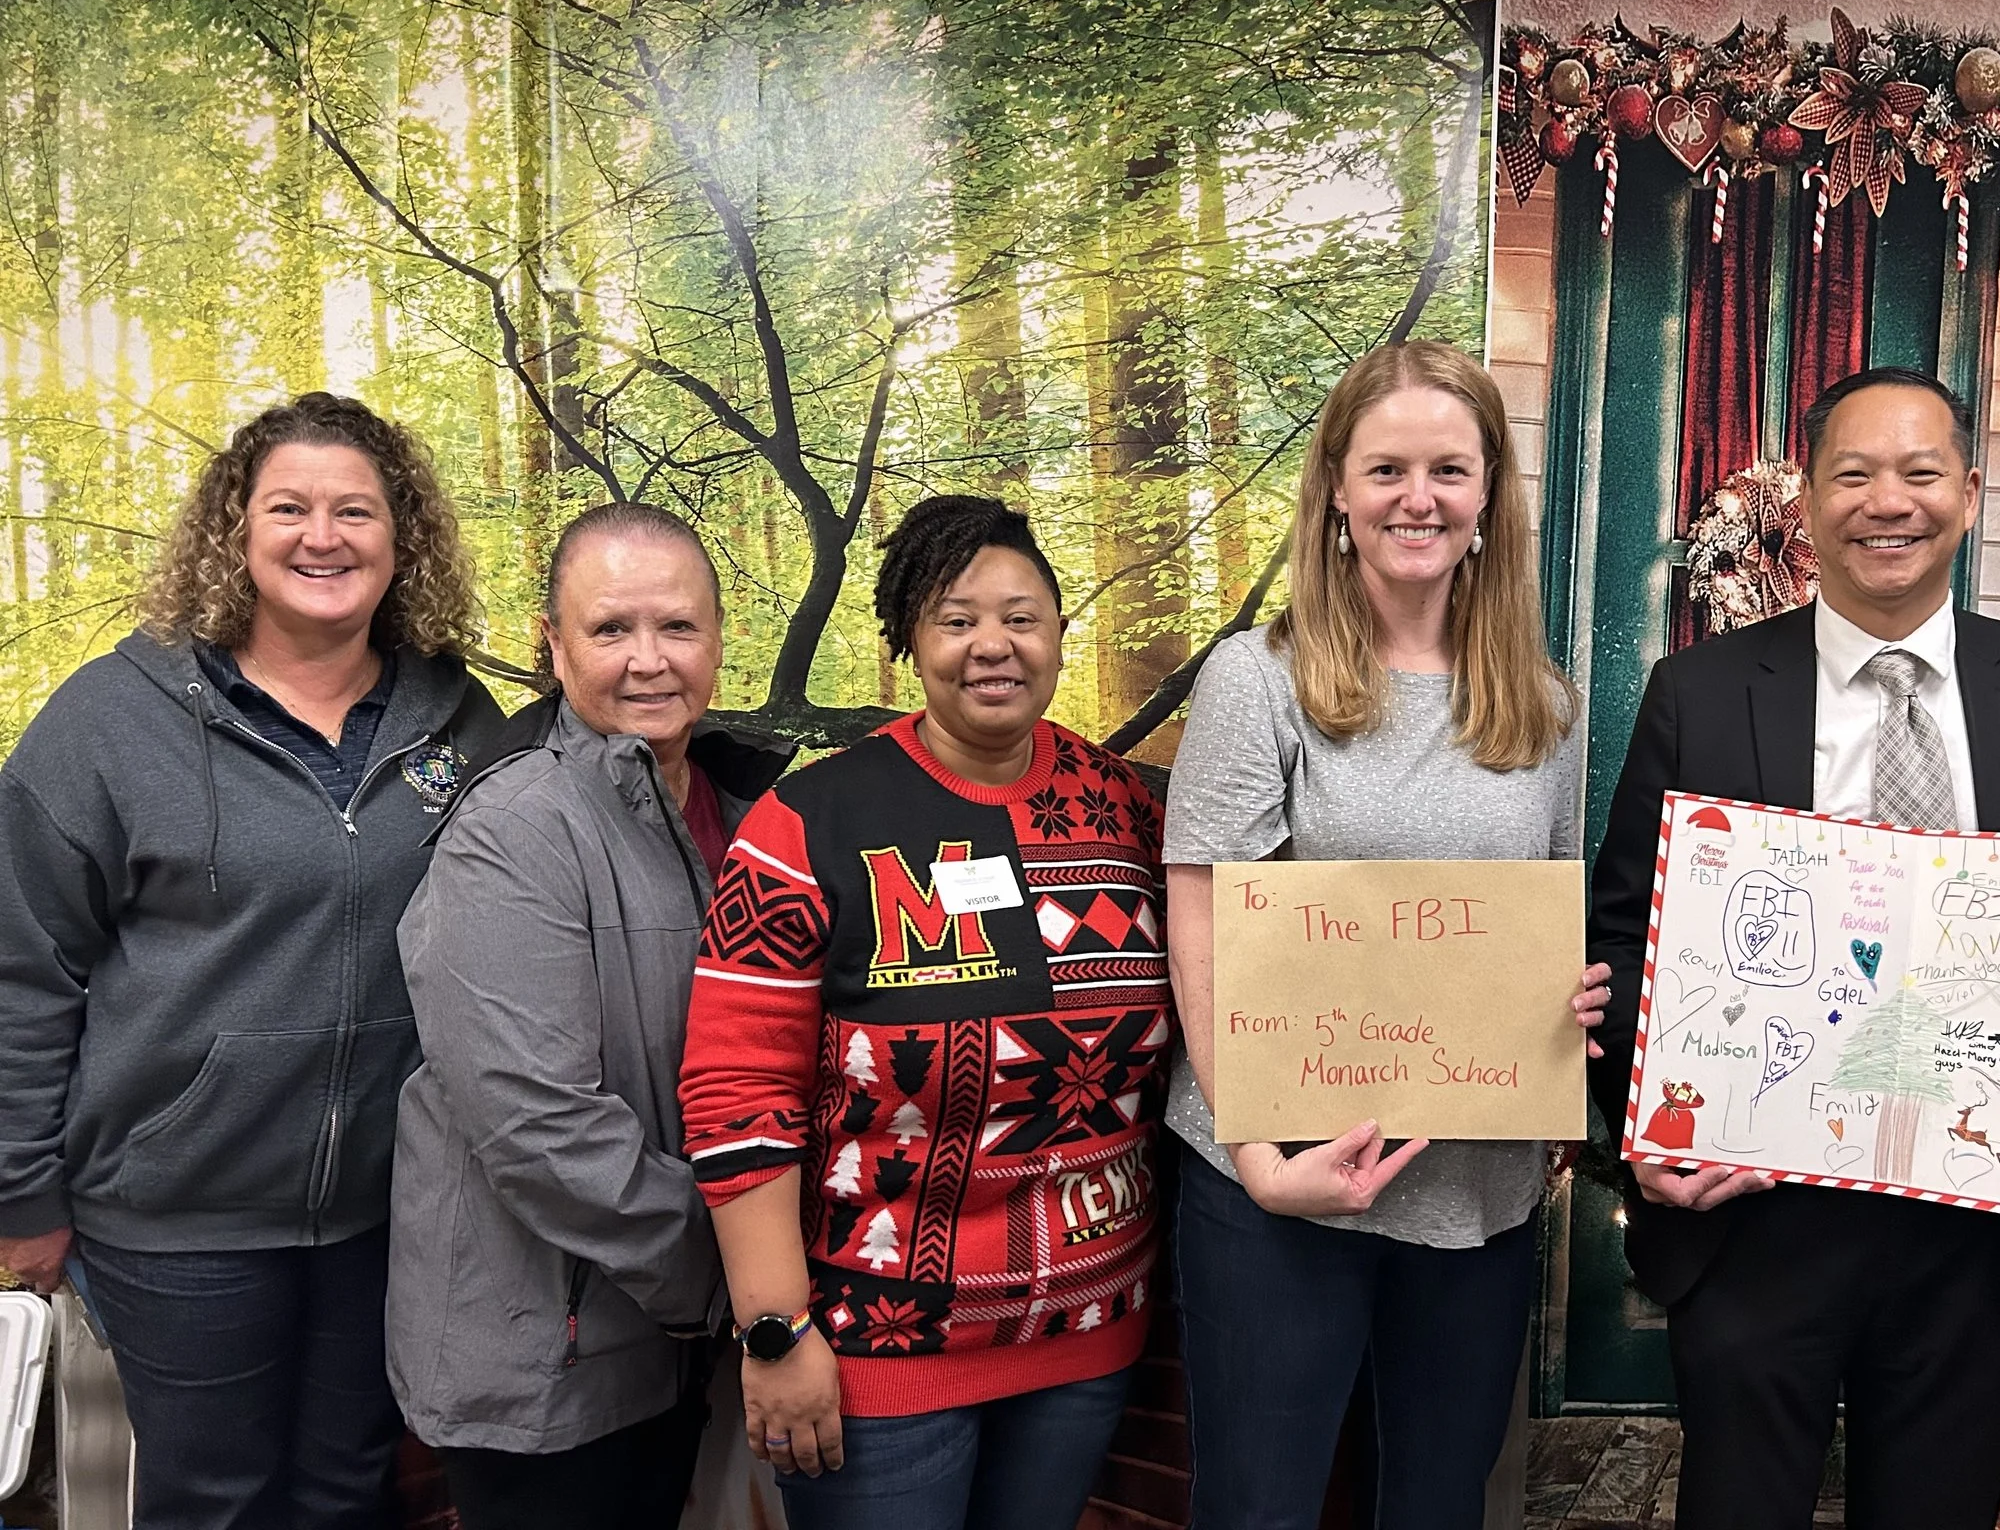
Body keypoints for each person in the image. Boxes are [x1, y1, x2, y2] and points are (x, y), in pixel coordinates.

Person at [1584, 367, 2000, 1530]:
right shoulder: (1698, 689)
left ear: (1969, 494)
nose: (1885, 501)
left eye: (1919, 471)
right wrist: (1641, 1132)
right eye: (1852, 473)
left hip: (1976, 1229)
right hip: (1754, 1218)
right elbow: (1624, 931)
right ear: (1807, 501)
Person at [0, 392, 501, 1528]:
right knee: (212, 1503)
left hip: (389, 1207)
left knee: (347, 1491)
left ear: (401, 538)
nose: (322, 536)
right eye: (288, 507)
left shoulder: (454, 717)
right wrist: (21, 1191)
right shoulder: (109, 723)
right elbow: (23, 972)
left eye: (355, 512)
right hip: (178, 1215)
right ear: (235, 532)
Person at [1161, 339, 1609, 1530]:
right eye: (1388, 470)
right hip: (1278, 1181)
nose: (1419, 498)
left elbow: (1541, 914)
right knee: (1258, 1508)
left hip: (1474, 1189)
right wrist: (1259, 1155)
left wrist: (1565, 1008)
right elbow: (1201, 915)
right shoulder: (1256, 682)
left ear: (1487, 498)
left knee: (1436, 1507)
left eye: (1450, 471)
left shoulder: (1545, 703)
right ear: (1337, 495)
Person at [678, 495, 1171, 1530]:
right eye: (955, 620)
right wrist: (773, 1330)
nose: (992, 645)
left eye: (1021, 615)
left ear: (1058, 633)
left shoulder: (1127, 808)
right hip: (875, 1354)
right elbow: (736, 1090)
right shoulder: (814, 818)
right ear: (907, 641)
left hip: (1085, 1328)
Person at [388, 504, 793, 1528]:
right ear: (554, 643)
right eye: (611, 630)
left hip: (661, 1342)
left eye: (678, 628)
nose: (649, 661)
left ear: (718, 637)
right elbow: (536, 1123)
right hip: (546, 1353)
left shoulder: (746, 817)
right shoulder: (515, 829)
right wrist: (742, 1276)